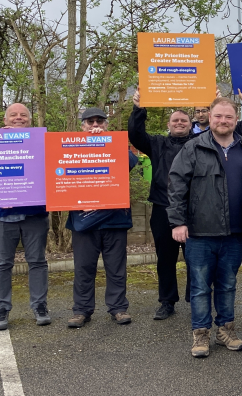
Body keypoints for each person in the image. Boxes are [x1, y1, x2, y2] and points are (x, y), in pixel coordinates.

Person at [166, 97, 242, 358]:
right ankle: (201, 334)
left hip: (234, 233)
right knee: (200, 287)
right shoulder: (194, 148)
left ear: (235, 119)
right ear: (209, 117)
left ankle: (226, 330)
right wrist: (178, 221)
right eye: (218, 116)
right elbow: (176, 185)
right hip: (200, 232)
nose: (223, 121)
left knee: (228, 285)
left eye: (228, 117)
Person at [67, 107, 139, 329]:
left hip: (114, 219)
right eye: (90, 122)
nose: (95, 126)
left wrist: (106, 142)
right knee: (83, 268)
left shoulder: (115, 144)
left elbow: (131, 161)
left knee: (116, 268)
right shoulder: (69, 147)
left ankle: (118, 308)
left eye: (100, 122)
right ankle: (81, 310)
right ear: (82, 126)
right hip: (83, 220)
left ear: (107, 125)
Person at [128, 88, 195, 320]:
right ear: (169, 124)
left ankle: (196, 298)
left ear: (190, 124)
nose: (179, 123)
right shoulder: (157, 143)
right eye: (175, 120)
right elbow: (136, 135)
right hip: (162, 209)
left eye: (183, 120)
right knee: (165, 258)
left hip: (193, 211)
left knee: (195, 258)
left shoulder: (200, 143)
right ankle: (167, 301)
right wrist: (139, 109)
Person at [0, 103, 50, 330]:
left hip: (35, 213)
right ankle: (1, 309)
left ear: (30, 120)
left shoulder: (41, 142)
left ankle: (40, 306)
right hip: (2, 215)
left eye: (23, 115)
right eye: (13, 115)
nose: (18, 118)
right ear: (5, 120)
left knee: (37, 262)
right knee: (2, 264)